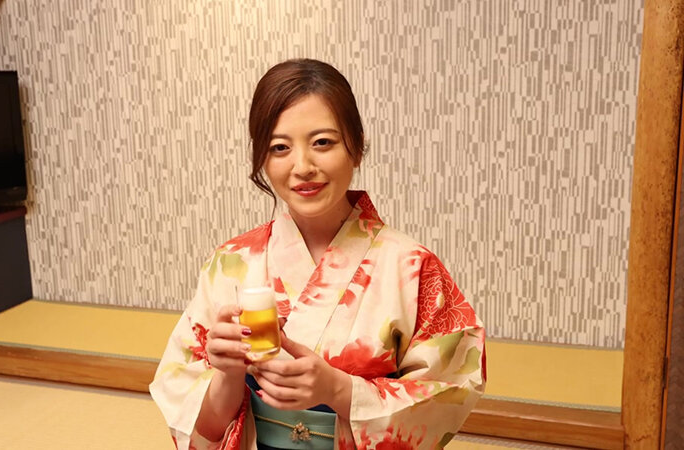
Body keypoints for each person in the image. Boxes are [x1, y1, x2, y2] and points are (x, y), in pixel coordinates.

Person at [149, 59, 486, 450]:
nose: (303, 167)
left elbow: (448, 395)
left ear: (356, 147)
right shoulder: (230, 264)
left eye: (323, 142)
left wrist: (337, 389)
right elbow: (203, 426)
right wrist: (227, 375)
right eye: (279, 148)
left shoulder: (413, 268)